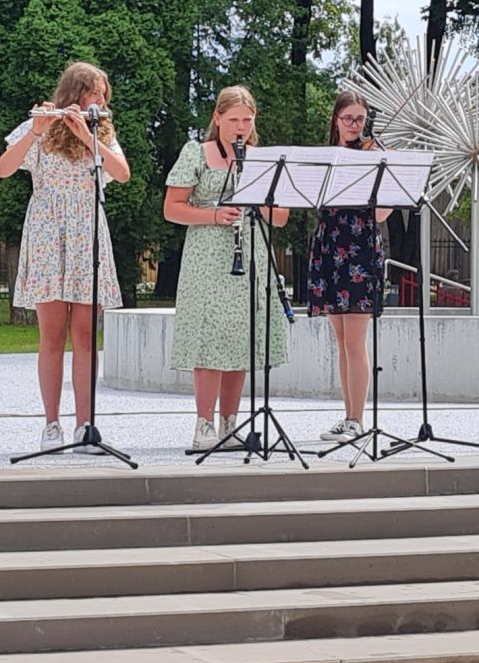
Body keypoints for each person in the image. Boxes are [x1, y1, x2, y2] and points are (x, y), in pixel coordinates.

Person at [0, 61, 129, 450]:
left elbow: (122, 173)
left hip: (86, 230)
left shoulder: (101, 131)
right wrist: (35, 131)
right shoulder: (42, 125)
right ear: (75, 93)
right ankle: (51, 424)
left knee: (85, 335)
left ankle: (85, 425)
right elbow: (3, 169)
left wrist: (88, 137)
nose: (101, 98)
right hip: (47, 232)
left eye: (103, 93)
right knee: (51, 335)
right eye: (94, 91)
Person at [162, 86, 291, 451]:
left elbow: (281, 218)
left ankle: (229, 424)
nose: (240, 127)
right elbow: (172, 208)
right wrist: (214, 215)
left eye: (247, 120)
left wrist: (259, 201)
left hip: (251, 251)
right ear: (216, 118)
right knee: (209, 335)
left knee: (240, 336)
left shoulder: (262, 159)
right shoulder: (196, 152)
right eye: (233, 120)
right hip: (207, 254)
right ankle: (203, 424)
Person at [306, 93, 390, 442]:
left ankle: (357, 420)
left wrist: (381, 168)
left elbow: (382, 214)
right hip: (329, 246)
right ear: (336, 120)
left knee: (355, 341)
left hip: (359, 250)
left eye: (361, 119)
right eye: (349, 119)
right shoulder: (325, 158)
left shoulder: (375, 156)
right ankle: (348, 415)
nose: (356, 126)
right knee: (341, 341)